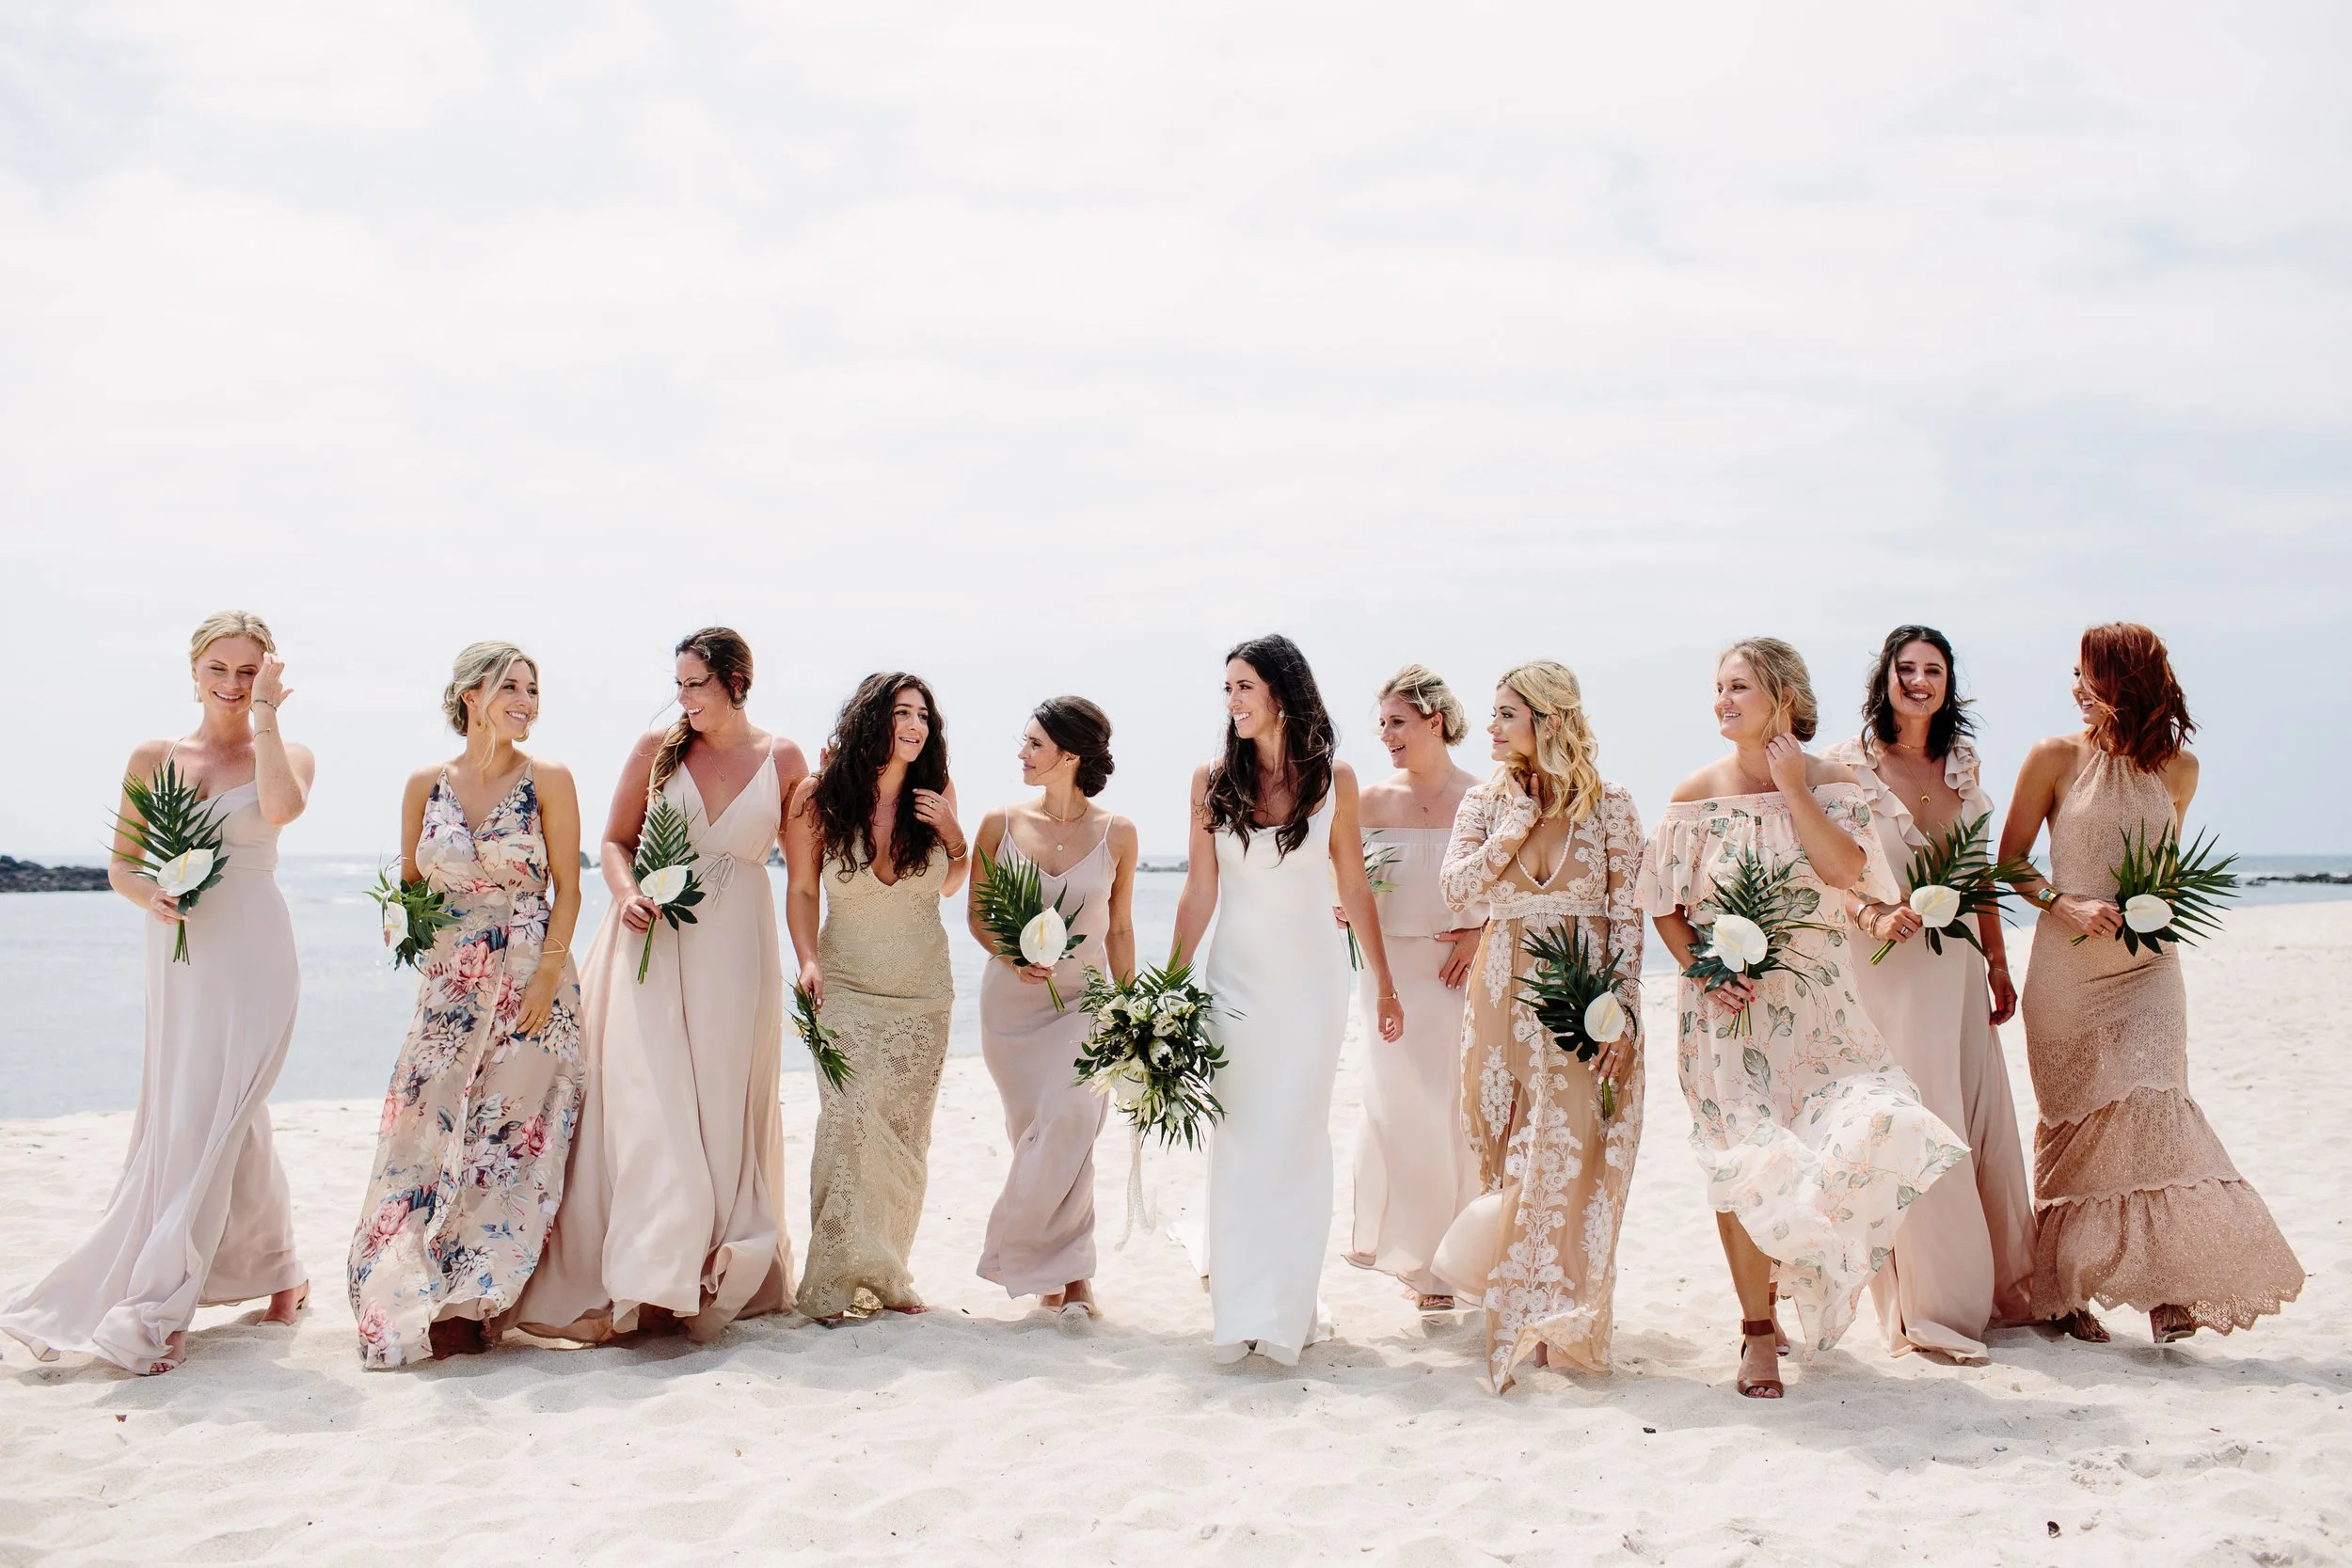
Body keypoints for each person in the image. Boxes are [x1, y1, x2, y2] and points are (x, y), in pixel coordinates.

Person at [1637, 637, 1965, 1398]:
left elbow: (1848, 873)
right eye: (1717, 686)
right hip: (1728, 1016)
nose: (1722, 700)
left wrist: (1794, 789)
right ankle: (1756, 1331)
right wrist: (1703, 971)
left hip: (1823, 1012)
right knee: (1741, 1164)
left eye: (1738, 686)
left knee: (1866, 1126)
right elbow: (1665, 905)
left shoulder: (1834, 781)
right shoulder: (1695, 793)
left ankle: (1792, 1267)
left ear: (1781, 697)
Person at [0, 612, 311, 1376]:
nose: (233, 686)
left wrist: (267, 717)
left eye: (248, 672)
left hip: (256, 949)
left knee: (216, 1112)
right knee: (216, 1114)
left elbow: (279, 810)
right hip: (179, 952)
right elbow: (123, 867)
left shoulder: (290, 749)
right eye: (220, 669)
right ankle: (283, 1269)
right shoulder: (154, 756)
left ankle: (161, 1300)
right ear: (193, 670)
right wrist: (155, 897)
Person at [1997, 623, 2302, 1343]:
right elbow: (2007, 861)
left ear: (2125, 681)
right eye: (2073, 674)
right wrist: (2061, 901)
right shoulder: (2053, 757)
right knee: (2075, 1129)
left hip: (2149, 968)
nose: (2074, 688)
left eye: (2087, 675)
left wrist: (2161, 905)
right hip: (2067, 974)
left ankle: (2170, 1289)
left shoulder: (2180, 770)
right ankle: (2063, 1291)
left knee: (2156, 1104)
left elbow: (2162, 870)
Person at [516, 628, 809, 1344]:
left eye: (695, 685)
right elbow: (614, 843)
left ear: (738, 682)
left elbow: (804, 877)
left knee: (717, 1106)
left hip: (737, 947)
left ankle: (700, 1270)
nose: (682, 698)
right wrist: (625, 896)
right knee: (655, 1109)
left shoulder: (787, 759)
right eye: (678, 684)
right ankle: (651, 1280)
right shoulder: (657, 749)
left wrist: (812, 958)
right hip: (650, 940)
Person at [1168, 634, 1406, 1366]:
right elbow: (1201, 889)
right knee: (1240, 1137)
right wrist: (1168, 987)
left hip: (1311, 983)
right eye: (1227, 689)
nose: (1233, 701)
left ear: (1280, 691)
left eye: (1244, 686)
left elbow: (1355, 887)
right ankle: (1242, 1307)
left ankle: (1288, 1306)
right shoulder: (1212, 779)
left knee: (1297, 1137)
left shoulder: (1336, 779)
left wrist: (1385, 984)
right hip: (1234, 981)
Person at [348, 641, 585, 1368]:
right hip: (450, 987)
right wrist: (418, 943)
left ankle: (471, 1301)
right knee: (419, 1134)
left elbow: (569, 890)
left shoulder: (549, 778)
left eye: (533, 688)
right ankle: (408, 1280)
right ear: (469, 694)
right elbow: (411, 883)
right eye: (510, 684)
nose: (525, 699)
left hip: (529, 976)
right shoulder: (426, 782)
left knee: (505, 1143)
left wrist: (545, 978)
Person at [1822, 626, 2036, 1363]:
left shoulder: (1963, 765)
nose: (1919, 681)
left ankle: (1999, 1283)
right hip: (1884, 963)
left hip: (1957, 966)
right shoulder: (1847, 766)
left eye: (1933, 670)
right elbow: (1832, 873)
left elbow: (1977, 876)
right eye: (1906, 668)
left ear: (1949, 683)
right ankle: (1933, 1303)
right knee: (1917, 1118)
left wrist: (2000, 965)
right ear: (1884, 678)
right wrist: (1873, 911)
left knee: (1972, 1118)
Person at [1431, 661, 1645, 1390]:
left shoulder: (1611, 804)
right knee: (1515, 1155)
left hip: (1585, 999)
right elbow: (1456, 890)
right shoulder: (1486, 803)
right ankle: (1531, 1303)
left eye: (1505, 714)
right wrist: (1510, 831)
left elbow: (1626, 917)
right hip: (1501, 1000)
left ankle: (1560, 1317)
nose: (1489, 728)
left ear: (1549, 720)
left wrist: (1627, 1014)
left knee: (1575, 1156)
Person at [786, 673, 966, 1323]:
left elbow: (953, 884)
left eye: (923, 713)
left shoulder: (936, 791)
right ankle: (834, 1279)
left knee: (902, 1137)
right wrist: (807, 958)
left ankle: (886, 1274)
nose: (916, 725)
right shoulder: (819, 795)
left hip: (924, 991)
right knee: (849, 1121)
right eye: (902, 712)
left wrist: (952, 832)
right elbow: (803, 889)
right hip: (846, 983)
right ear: (872, 719)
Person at [970, 697, 1137, 1315]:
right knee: (1036, 1135)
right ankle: (1058, 1273)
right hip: (1011, 1009)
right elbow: (977, 914)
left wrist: (1131, 1008)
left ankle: (1072, 1272)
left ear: (1071, 754)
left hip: (1084, 1001)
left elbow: (1118, 930)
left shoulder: (1118, 832)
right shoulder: (1000, 822)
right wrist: (1012, 955)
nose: (1022, 753)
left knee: (1071, 1117)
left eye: (1034, 743)